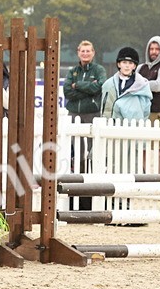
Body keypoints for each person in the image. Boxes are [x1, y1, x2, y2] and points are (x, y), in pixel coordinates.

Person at [62, 40, 106, 210]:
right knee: (76, 154)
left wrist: (78, 86)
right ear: (78, 52)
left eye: (88, 51)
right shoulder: (73, 71)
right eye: (83, 51)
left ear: (93, 53)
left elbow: (99, 87)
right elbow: (67, 91)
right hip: (74, 115)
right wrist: (85, 88)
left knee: (91, 154)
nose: (85, 53)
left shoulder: (99, 70)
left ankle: (90, 190)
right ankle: (77, 191)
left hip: (92, 114)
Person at [100, 47, 152, 120]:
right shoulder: (108, 84)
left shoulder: (142, 85)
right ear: (119, 64)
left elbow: (146, 109)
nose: (127, 66)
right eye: (124, 62)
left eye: (130, 63)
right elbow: (105, 108)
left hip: (134, 126)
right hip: (112, 126)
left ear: (134, 66)